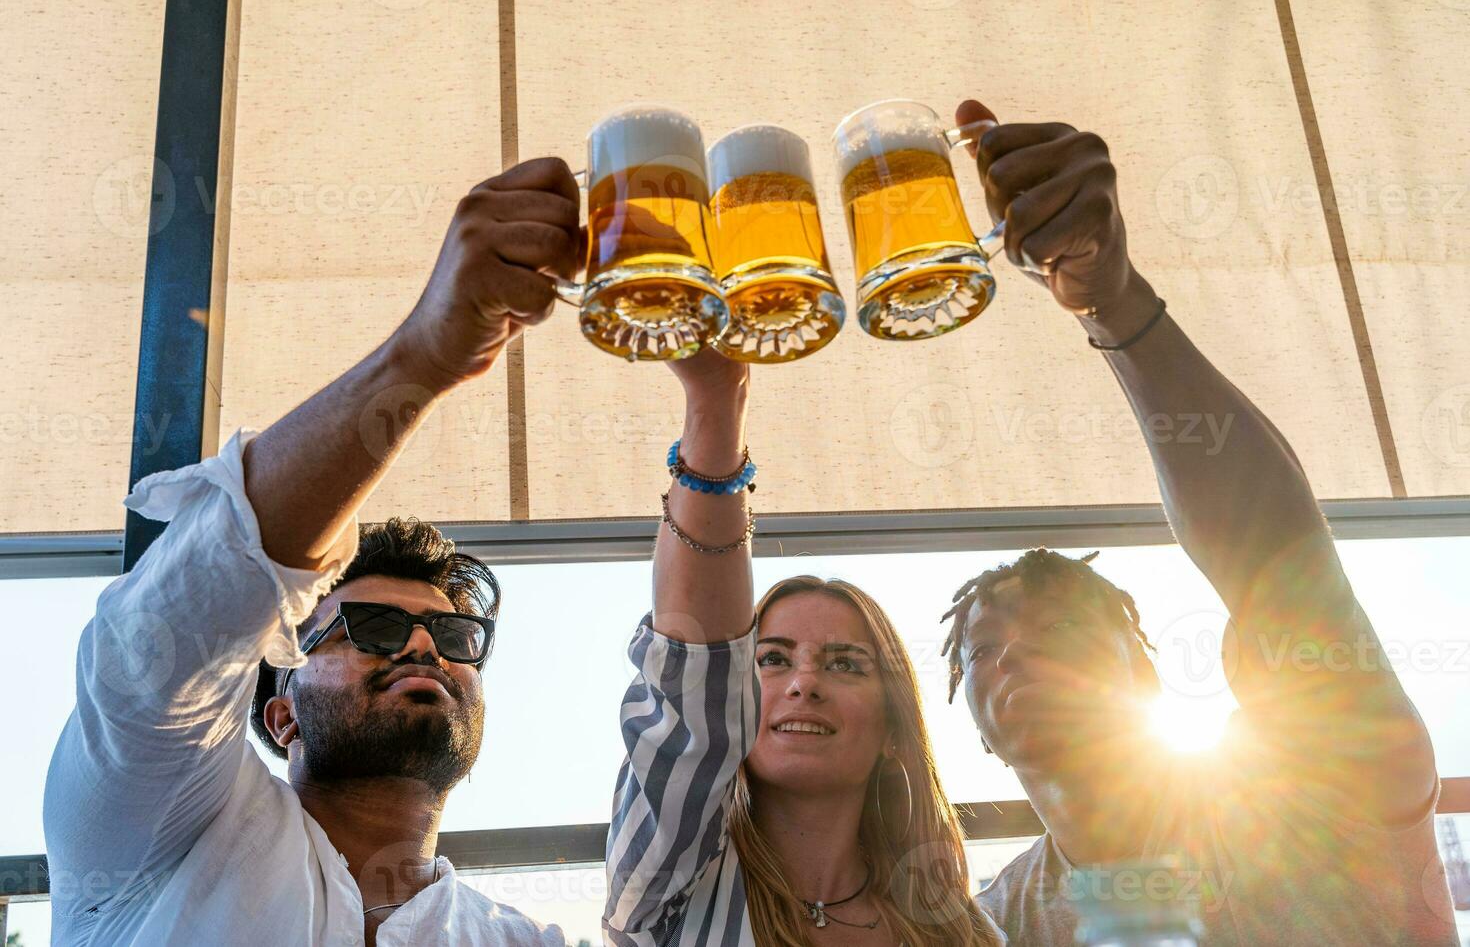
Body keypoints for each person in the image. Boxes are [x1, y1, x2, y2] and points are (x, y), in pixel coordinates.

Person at [939, 100, 1456, 945]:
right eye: (983, 651)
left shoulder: (1302, 797)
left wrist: (1117, 307)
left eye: (1062, 627)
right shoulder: (999, 922)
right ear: (980, 734)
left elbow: (1277, 560)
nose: (1016, 655)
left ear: (1144, 678)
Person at [42, 158, 582, 946]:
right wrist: (422, 358)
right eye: (371, 628)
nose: (426, 645)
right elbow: (161, 643)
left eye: (457, 637)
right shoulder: (154, 831)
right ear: (281, 713)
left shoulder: (524, 941)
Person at [601, 349, 1004, 947]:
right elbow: (697, 683)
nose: (804, 683)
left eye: (845, 663)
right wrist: (718, 397)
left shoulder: (969, 934)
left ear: (895, 727)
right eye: (772, 658)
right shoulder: (671, 891)